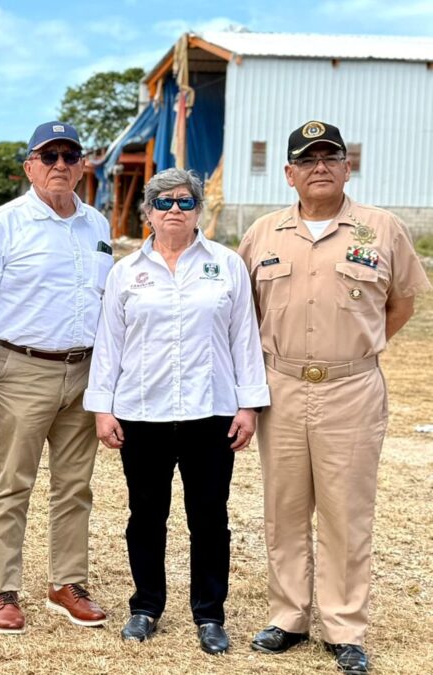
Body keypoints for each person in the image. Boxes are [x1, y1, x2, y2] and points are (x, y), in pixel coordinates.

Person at [238, 121, 430, 674]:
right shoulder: (262, 233)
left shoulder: (382, 229)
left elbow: (402, 305)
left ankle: (345, 626)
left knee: (348, 512)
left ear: (348, 167)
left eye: (331, 157)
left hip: (352, 388)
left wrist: (357, 352)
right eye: (308, 159)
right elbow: (242, 314)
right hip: (281, 386)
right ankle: (288, 616)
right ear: (290, 173)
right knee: (285, 507)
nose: (320, 166)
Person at [84, 167, 269, 654]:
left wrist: (248, 406)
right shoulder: (126, 272)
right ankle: (146, 606)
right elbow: (109, 345)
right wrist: (103, 409)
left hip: (211, 413)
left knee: (209, 517)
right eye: (164, 202)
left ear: (197, 211)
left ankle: (209, 614)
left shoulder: (226, 265)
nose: (174, 210)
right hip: (142, 414)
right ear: (147, 212)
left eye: (185, 202)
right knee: (146, 515)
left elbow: (244, 338)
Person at [0, 121, 112, 635]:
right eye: (49, 156)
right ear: (30, 166)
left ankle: (67, 583)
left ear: (83, 166)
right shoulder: (3, 223)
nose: (60, 165)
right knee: (13, 483)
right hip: (21, 368)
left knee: (75, 486)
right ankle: (4, 589)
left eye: (70, 155)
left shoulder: (98, 226)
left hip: (85, 371)